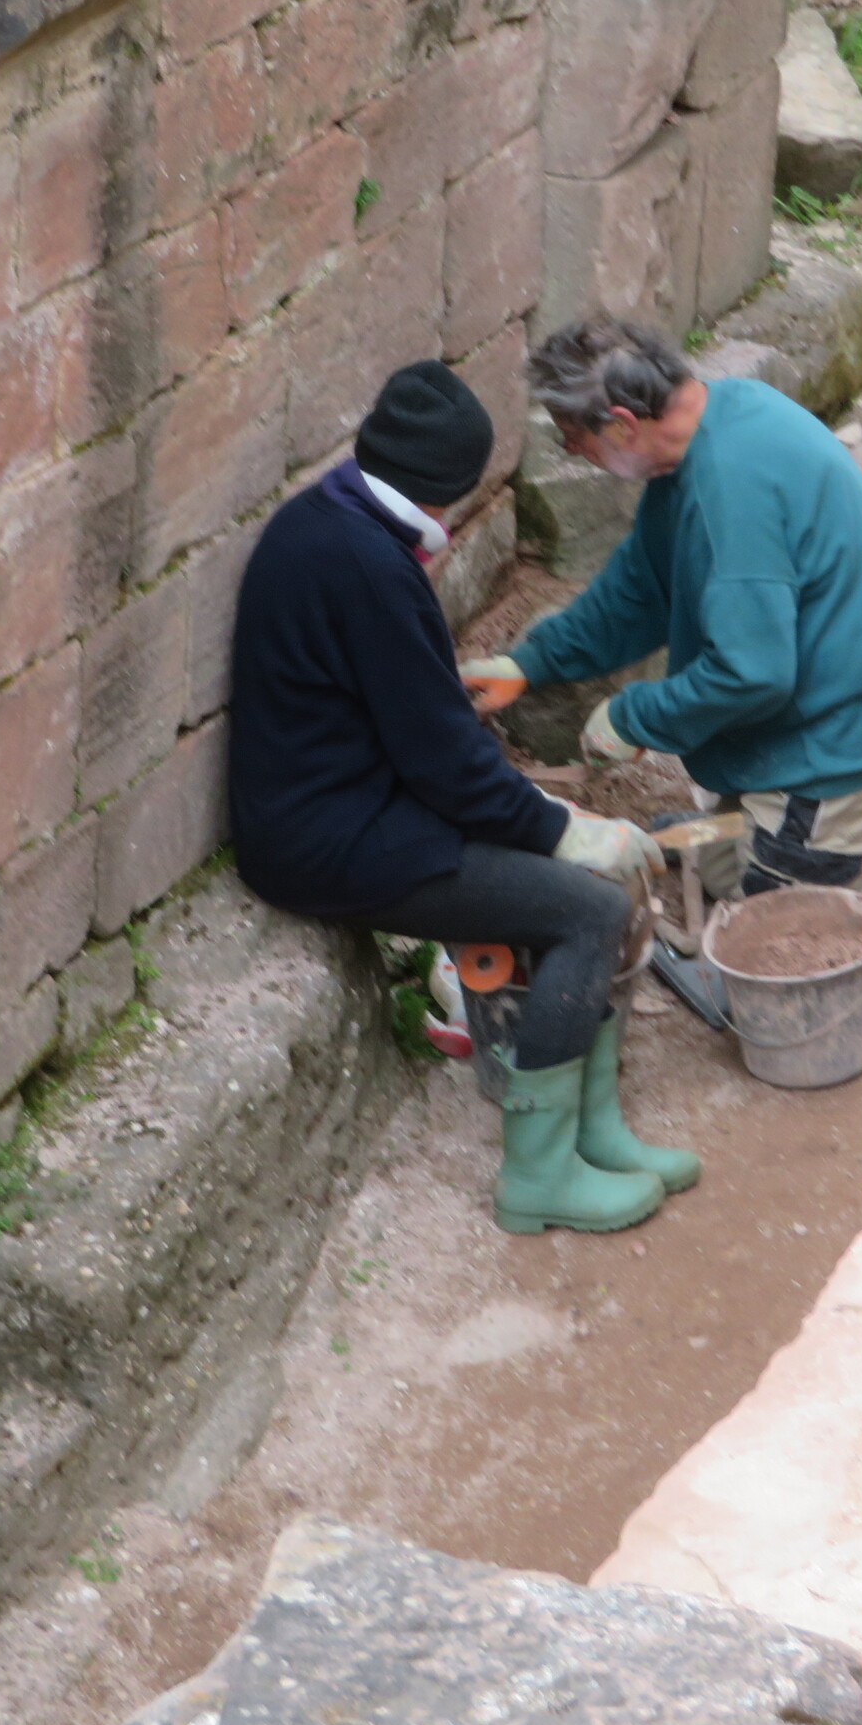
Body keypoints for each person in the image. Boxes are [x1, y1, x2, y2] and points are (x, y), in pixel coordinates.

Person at [228, 360, 697, 1236]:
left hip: (336, 804)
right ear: (448, 486)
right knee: (588, 912)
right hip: (328, 840)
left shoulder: (325, 518)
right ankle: (539, 1174)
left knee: (580, 877)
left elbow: (416, 726)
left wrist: (542, 813)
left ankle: (594, 1131)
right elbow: (443, 764)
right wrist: (558, 828)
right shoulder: (372, 568)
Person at [460, 317, 862, 966]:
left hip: (845, 734)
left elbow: (750, 674)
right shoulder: (725, 414)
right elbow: (638, 589)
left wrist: (633, 717)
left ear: (623, 424)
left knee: (771, 929)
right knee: (728, 861)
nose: (573, 452)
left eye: (574, 437)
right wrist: (528, 664)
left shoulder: (729, 492)